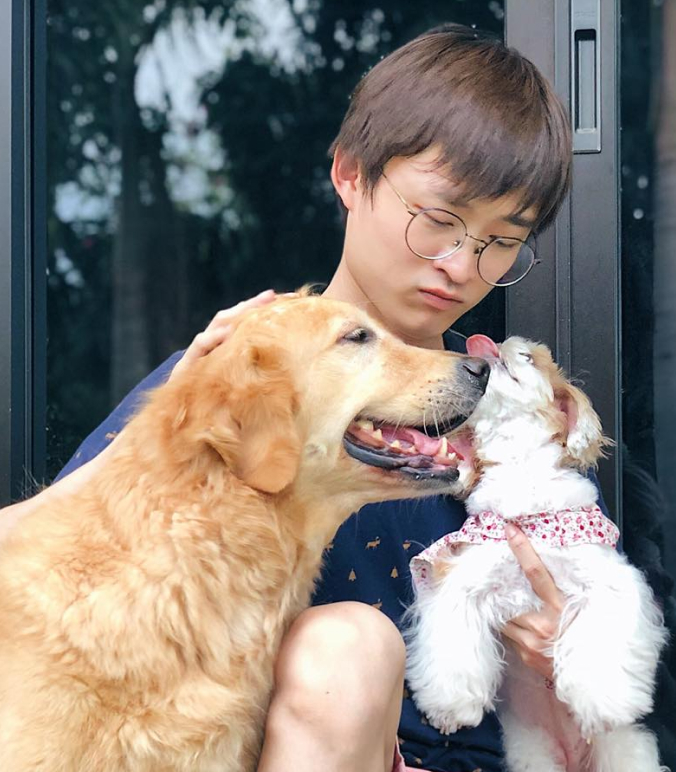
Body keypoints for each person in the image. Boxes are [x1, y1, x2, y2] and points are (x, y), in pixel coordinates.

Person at [1, 24, 600, 772]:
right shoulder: (234, 380)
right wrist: (176, 413)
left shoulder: (522, 420)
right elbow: (36, 564)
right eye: (439, 221)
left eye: (500, 242)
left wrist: (572, 653)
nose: (460, 266)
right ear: (350, 174)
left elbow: (650, 694)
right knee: (342, 646)